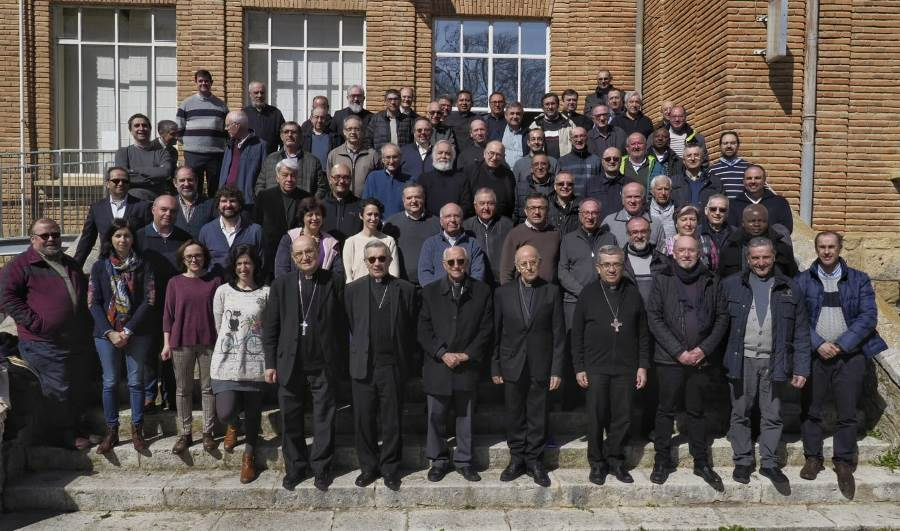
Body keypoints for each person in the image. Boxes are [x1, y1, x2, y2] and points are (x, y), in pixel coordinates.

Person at [796, 232, 888, 499]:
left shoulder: (858, 279)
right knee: (811, 409)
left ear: (839, 249)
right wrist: (818, 344)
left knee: (847, 412)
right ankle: (812, 458)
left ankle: (843, 462)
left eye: (831, 247)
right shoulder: (803, 280)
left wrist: (841, 344)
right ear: (816, 249)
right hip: (815, 355)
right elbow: (797, 317)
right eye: (822, 247)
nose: (826, 252)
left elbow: (868, 316)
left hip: (849, 356)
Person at [722, 237, 810, 489]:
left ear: (773, 258)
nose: (761, 262)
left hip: (775, 361)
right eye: (756, 258)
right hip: (742, 360)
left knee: (772, 415)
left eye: (766, 257)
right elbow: (720, 327)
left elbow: (801, 332)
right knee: (740, 412)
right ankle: (743, 460)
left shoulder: (790, 288)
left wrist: (801, 367)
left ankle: (770, 463)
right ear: (748, 259)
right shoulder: (731, 285)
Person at [264, 235, 347, 491]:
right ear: (292, 258)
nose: (305, 257)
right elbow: (271, 326)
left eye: (309, 251)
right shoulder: (282, 284)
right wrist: (269, 363)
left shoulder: (333, 281)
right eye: (299, 254)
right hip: (290, 363)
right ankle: (296, 467)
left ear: (318, 253)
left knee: (324, 417)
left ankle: (322, 468)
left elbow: (344, 323)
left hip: (323, 362)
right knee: (290, 418)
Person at [646, 236, 729, 491]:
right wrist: (679, 352)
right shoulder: (663, 279)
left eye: (691, 250)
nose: (686, 254)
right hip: (670, 359)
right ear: (673, 253)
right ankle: (661, 461)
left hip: (700, 360)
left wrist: (703, 350)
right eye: (681, 250)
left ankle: (701, 461)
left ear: (699, 253)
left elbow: (722, 317)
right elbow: (655, 317)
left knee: (696, 411)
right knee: (665, 410)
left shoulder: (711, 279)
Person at [1, 218, 91, 449]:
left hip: (72, 339)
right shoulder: (20, 265)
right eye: (45, 236)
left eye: (56, 234)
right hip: (42, 341)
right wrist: (37, 323)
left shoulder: (69, 263)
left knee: (74, 385)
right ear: (33, 239)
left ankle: (76, 427)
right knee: (56, 388)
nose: (52, 239)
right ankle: (62, 435)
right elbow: (7, 297)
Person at [572, 245, 650, 485]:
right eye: (606, 265)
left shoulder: (633, 293)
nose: (612, 269)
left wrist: (642, 366)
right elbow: (577, 335)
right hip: (595, 367)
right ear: (598, 268)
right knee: (596, 417)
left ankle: (615, 461)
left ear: (622, 266)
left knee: (622, 417)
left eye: (616, 264)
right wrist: (579, 367)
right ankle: (597, 463)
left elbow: (643, 333)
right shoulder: (588, 293)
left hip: (626, 368)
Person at [344, 240, 418, 491]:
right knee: (363, 419)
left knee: (392, 420)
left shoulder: (405, 289)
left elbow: (411, 328)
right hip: (363, 365)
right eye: (372, 259)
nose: (377, 263)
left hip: (393, 365)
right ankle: (368, 467)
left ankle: (390, 468)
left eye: (382, 259)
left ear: (389, 260)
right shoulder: (352, 290)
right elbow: (351, 324)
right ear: (365, 263)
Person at [418, 246, 494, 483]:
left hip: (466, 364)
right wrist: (442, 353)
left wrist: (467, 354)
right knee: (436, 416)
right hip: (438, 365)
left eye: (460, 261)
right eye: (451, 262)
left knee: (465, 416)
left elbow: (486, 328)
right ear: (443, 265)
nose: (456, 266)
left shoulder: (482, 291)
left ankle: (464, 461)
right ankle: (438, 461)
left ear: (467, 262)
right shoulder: (429, 292)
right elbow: (423, 329)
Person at [492, 245, 565, 487]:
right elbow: (496, 333)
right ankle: (516, 459)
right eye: (523, 263)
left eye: (533, 262)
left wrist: (556, 369)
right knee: (514, 415)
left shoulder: (552, 292)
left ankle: (535, 460)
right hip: (512, 363)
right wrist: (495, 367)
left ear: (540, 262)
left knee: (537, 415)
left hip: (540, 364)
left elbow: (558, 334)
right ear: (516, 266)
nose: (529, 267)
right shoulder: (503, 293)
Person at [89, 219, 156, 454]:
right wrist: (110, 332)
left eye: (127, 236)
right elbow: (93, 303)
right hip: (106, 333)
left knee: (136, 381)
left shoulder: (143, 265)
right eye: (118, 235)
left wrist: (127, 331)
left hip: (137, 332)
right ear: (110, 240)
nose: (122, 240)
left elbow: (149, 300)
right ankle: (112, 430)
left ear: (133, 239)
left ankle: (137, 430)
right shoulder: (100, 267)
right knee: (110, 381)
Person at [210, 244, 269, 484]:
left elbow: (268, 325)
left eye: (248, 263)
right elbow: (218, 324)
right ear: (234, 267)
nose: (243, 267)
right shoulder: (223, 291)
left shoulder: (266, 292)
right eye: (239, 263)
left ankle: (248, 457)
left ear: (254, 265)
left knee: (254, 413)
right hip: (226, 360)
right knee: (224, 411)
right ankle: (233, 424)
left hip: (255, 361)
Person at [162, 240, 222, 455]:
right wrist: (166, 343)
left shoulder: (214, 282)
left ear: (204, 257)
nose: (194, 260)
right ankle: (185, 433)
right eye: (189, 257)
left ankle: (208, 432)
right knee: (183, 389)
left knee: (208, 388)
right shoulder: (174, 283)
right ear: (183, 259)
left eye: (198, 255)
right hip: (181, 342)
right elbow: (168, 315)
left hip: (209, 341)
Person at [134, 195, 192, 411]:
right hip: (148, 306)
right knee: (149, 352)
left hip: (176, 306)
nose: (168, 214)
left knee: (174, 352)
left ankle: (171, 395)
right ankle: (150, 395)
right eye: (164, 210)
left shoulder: (185, 239)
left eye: (173, 211)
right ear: (153, 210)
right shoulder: (139, 237)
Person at [74, 166, 152, 267]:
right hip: (107, 265)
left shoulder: (142, 206)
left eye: (124, 181)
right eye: (116, 180)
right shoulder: (97, 208)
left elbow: (150, 238)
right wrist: (75, 266)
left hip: (135, 265)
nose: (120, 183)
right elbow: (87, 240)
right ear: (107, 184)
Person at [558, 198, 618, 327]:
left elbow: (616, 268)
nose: (590, 217)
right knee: (574, 339)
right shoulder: (568, 239)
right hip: (574, 301)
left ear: (599, 215)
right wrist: (582, 292)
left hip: (603, 299)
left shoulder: (609, 238)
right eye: (586, 213)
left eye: (594, 213)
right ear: (580, 215)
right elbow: (562, 272)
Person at [253, 158, 311, 279]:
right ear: (277, 177)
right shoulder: (264, 196)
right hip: (269, 258)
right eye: (285, 175)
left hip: (298, 256)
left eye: (293, 175)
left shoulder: (306, 198)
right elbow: (256, 225)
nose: (289, 179)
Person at [176, 69, 229, 197]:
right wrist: (190, 143)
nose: (203, 83)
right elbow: (179, 129)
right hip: (193, 154)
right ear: (196, 82)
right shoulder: (186, 104)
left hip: (215, 154)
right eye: (200, 81)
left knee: (215, 186)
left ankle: (213, 211)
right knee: (194, 185)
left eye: (206, 81)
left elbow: (227, 129)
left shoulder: (221, 106)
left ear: (211, 83)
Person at [382, 183, 441, 285]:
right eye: (409, 198)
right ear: (403, 200)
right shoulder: (391, 224)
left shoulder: (437, 223)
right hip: (400, 284)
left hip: (431, 284)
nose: (413, 201)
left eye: (417, 197)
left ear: (424, 198)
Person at [718, 204, 797, 278]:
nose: (756, 224)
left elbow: (793, 277)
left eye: (761, 221)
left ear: (768, 222)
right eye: (751, 221)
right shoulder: (730, 247)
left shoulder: (782, 248)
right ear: (743, 223)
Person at [198, 186, 265, 274]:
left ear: (240, 204)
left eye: (233, 201)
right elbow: (202, 262)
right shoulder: (206, 231)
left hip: (246, 285)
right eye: (224, 201)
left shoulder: (255, 231)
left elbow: (262, 263)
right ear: (218, 205)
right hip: (215, 285)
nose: (228, 205)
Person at [418, 202, 486, 287]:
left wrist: (465, 291)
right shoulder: (430, 244)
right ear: (441, 221)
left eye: (456, 216)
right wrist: (436, 293)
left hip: (467, 295)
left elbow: (478, 273)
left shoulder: (472, 243)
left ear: (462, 220)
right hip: (438, 296)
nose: (452, 220)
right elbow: (424, 273)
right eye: (448, 216)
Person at [274, 197, 344, 278]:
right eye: (310, 215)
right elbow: (281, 269)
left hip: (322, 288)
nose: (314, 218)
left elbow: (338, 273)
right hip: (293, 288)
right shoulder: (289, 238)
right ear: (302, 217)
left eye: (318, 214)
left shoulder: (331, 243)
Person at [499, 194, 561, 284]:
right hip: (524, 292)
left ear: (548, 210)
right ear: (525, 211)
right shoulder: (515, 234)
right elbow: (506, 271)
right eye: (532, 208)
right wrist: (509, 294)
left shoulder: (556, 234)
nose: (536, 212)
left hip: (550, 292)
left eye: (541, 208)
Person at [257, 121, 328, 197]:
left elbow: (321, 188)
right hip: (274, 206)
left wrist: (310, 204)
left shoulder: (313, 161)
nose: (290, 135)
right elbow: (260, 185)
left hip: (302, 207)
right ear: (281, 136)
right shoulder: (270, 159)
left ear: (300, 136)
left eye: (293, 132)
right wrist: (265, 201)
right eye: (286, 132)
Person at [116, 113, 175, 200]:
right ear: (130, 131)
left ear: (150, 129)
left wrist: (134, 170)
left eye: (144, 125)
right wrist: (153, 179)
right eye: (136, 126)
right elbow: (122, 177)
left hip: (157, 201)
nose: (141, 128)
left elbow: (165, 172)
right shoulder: (123, 152)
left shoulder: (162, 153)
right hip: (131, 202)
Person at [463, 188, 514, 287]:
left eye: (490, 203)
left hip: (502, 281)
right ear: (475, 205)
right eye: (482, 203)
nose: (486, 207)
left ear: (496, 205)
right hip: (476, 281)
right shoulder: (466, 226)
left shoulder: (507, 225)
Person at [342, 198, 400, 282]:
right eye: (369, 214)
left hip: (383, 290)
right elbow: (348, 276)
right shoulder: (351, 242)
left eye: (376, 215)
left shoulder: (389, 241)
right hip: (358, 291)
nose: (373, 218)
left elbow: (394, 274)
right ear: (361, 216)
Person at [218, 110, 268, 209]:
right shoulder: (229, 144)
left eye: (228, 125)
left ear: (237, 125)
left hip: (246, 202)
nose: (225, 128)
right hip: (226, 199)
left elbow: (265, 175)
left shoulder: (260, 145)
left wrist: (256, 195)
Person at [727, 164, 794, 236]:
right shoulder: (733, 205)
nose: (753, 181)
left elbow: (786, 229)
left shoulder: (780, 203)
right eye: (749, 178)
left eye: (757, 178)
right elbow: (732, 231)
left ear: (764, 180)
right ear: (743, 181)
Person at [327, 115, 378, 196]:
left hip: (365, 203)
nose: (353, 132)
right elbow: (330, 181)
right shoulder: (334, 154)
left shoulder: (372, 155)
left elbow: (377, 181)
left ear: (362, 131)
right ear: (344, 131)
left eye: (357, 129)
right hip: (343, 203)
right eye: (349, 129)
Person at [601, 181, 663, 248]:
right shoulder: (609, 222)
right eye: (629, 197)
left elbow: (661, 252)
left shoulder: (656, 223)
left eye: (637, 197)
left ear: (643, 199)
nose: (633, 201)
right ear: (622, 199)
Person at [463, 140, 516, 219]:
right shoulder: (471, 171)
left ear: (503, 157)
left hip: (502, 221)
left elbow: (511, 201)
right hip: (475, 222)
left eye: (498, 155)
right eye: (491, 153)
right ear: (484, 153)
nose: (494, 158)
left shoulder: (508, 175)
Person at [363, 143, 417, 218]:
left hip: (402, 224)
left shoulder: (409, 180)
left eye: (395, 157)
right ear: (382, 159)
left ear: (400, 158)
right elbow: (366, 204)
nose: (391, 161)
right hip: (378, 224)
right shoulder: (373, 177)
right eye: (388, 157)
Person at [660, 205, 719, 271]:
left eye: (692, 219)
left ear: (697, 223)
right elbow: (661, 271)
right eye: (684, 219)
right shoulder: (666, 245)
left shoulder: (706, 241)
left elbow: (714, 268)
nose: (688, 224)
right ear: (676, 224)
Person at [418, 140, 467, 214]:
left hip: (454, 222)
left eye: (447, 153)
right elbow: (420, 203)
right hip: (430, 222)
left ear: (453, 157)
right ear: (434, 156)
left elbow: (466, 204)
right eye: (440, 153)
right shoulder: (424, 179)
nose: (443, 156)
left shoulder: (462, 178)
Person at [585, 147, 633, 222]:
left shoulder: (631, 184)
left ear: (620, 161)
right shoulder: (591, 184)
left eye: (616, 159)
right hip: (598, 230)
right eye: (608, 159)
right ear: (602, 162)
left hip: (623, 228)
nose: (612, 161)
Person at [670, 144, 723, 210]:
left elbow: (723, 207)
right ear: (683, 161)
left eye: (696, 155)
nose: (692, 158)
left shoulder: (714, 182)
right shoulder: (673, 182)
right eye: (689, 156)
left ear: (702, 159)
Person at [321, 163, 363, 244]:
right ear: (330, 179)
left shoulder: (361, 206)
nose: (341, 181)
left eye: (346, 177)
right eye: (337, 177)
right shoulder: (320, 207)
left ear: (351, 180)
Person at [172, 167, 217, 240]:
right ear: (175, 183)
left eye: (190, 180)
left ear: (196, 181)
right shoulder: (169, 204)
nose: (186, 184)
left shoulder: (211, 204)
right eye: (182, 180)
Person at [559, 127, 602, 200]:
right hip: (570, 204)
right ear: (570, 140)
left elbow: (600, 185)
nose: (579, 140)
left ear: (587, 138)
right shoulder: (562, 162)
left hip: (591, 204)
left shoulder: (596, 160)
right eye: (575, 137)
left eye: (582, 136)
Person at [243, 80, 285, 155]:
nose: (259, 95)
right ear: (250, 94)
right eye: (256, 93)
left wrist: (279, 157)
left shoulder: (275, 113)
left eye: (262, 93)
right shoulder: (243, 114)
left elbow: (283, 138)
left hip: (270, 159)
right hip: (248, 159)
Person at [529, 92, 575, 159]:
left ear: (558, 105)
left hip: (564, 165)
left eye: (553, 104)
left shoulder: (569, 124)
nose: (550, 107)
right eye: (547, 104)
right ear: (543, 107)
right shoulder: (535, 125)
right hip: (542, 166)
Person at [708, 131, 750, 199]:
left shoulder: (748, 168)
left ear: (738, 145)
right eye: (725, 143)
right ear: (720, 146)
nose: (729, 146)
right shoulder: (712, 170)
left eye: (733, 143)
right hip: (721, 209)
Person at [514, 153, 554, 224]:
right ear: (531, 169)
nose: (540, 167)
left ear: (549, 167)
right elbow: (515, 213)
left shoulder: (557, 186)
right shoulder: (520, 187)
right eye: (536, 164)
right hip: (527, 230)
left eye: (543, 164)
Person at [302, 107, 342, 172]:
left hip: (328, 176)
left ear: (326, 119)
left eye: (322, 117)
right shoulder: (304, 138)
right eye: (316, 117)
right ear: (311, 119)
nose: (319, 120)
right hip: (310, 174)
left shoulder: (335, 138)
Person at [499, 102, 528, 168]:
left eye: (518, 114)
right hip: (503, 172)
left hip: (522, 172)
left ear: (522, 116)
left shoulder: (528, 133)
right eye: (512, 113)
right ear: (506, 116)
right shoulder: (498, 132)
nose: (515, 116)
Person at [648, 175, 676, 241]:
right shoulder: (644, 210)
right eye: (659, 189)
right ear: (652, 191)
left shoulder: (678, 208)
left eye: (666, 189)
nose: (663, 193)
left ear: (671, 191)